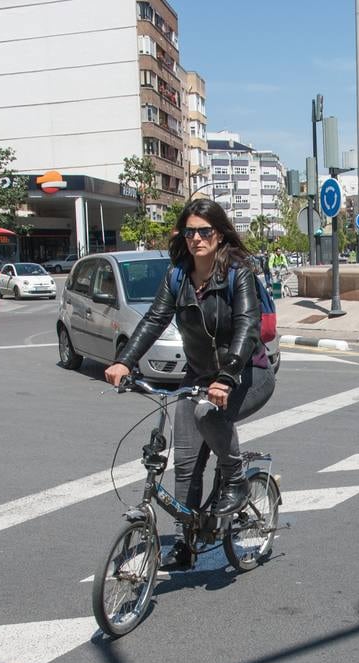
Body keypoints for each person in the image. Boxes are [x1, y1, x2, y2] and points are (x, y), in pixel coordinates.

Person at [104, 199, 276, 570]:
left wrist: (227, 376)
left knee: (207, 414)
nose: (197, 238)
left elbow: (247, 328)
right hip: (199, 376)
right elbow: (153, 319)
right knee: (184, 463)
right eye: (190, 231)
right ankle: (185, 543)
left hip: (247, 373)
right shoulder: (178, 276)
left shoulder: (237, 273)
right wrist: (124, 360)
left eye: (205, 231)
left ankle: (235, 479)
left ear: (219, 234)